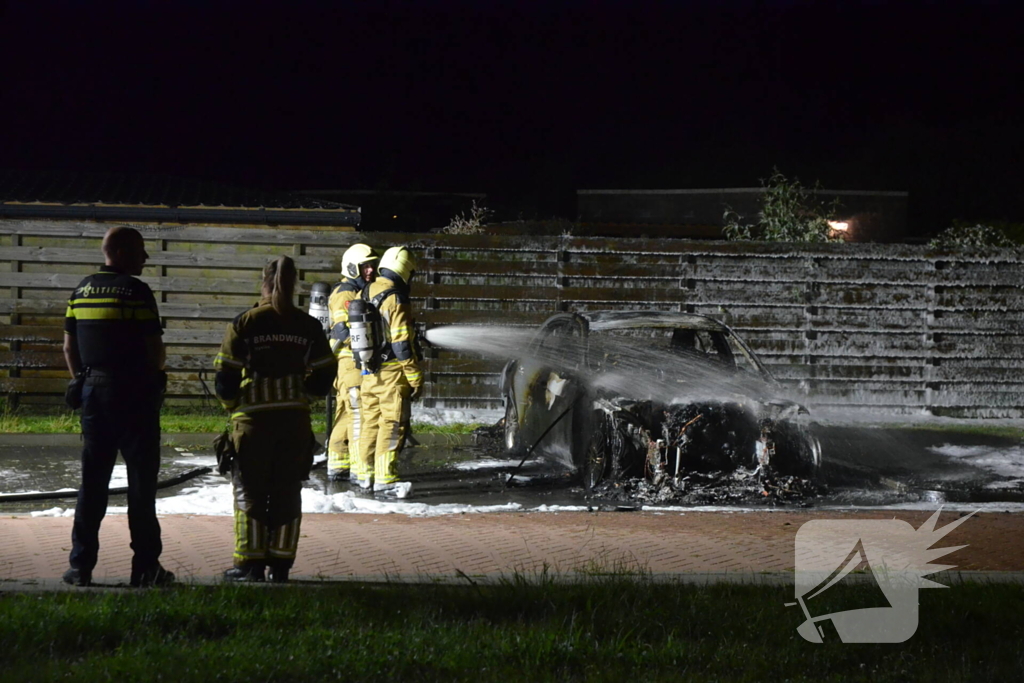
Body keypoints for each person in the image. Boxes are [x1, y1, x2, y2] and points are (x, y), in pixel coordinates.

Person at [62, 226, 173, 587]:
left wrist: (82, 379)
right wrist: (154, 380)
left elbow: (68, 347)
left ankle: (80, 566)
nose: (145, 258)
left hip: (94, 395)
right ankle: (145, 568)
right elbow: (154, 347)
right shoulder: (136, 292)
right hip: (134, 396)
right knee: (141, 485)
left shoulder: (80, 290)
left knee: (92, 484)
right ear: (122, 252)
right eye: (140, 251)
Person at [214, 256, 337, 582]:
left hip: (252, 425)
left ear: (263, 283)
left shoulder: (246, 322)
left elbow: (225, 375)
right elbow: (326, 370)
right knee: (287, 492)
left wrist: (232, 404)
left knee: (249, 493)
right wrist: (304, 394)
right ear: (295, 284)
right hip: (294, 424)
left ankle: (248, 566)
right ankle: (280, 566)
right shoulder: (307, 325)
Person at [357, 246, 423, 495]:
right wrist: (415, 377)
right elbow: (402, 344)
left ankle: (364, 476)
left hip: (368, 371)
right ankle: (386, 479)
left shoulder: (368, 289)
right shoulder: (396, 298)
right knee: (392, 424)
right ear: (406, 271)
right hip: (393, 373)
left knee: (370, 423)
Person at [325, 243, 378, 481]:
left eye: (372, 265)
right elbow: (342, 331)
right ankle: (358, 466)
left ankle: (338, 463)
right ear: (352, 268)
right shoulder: (345, 294)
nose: (370, 270)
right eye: (365, 266)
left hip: (349, 364)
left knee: (348, 414)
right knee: (358, 414)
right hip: (350, 363)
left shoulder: (354, 292)